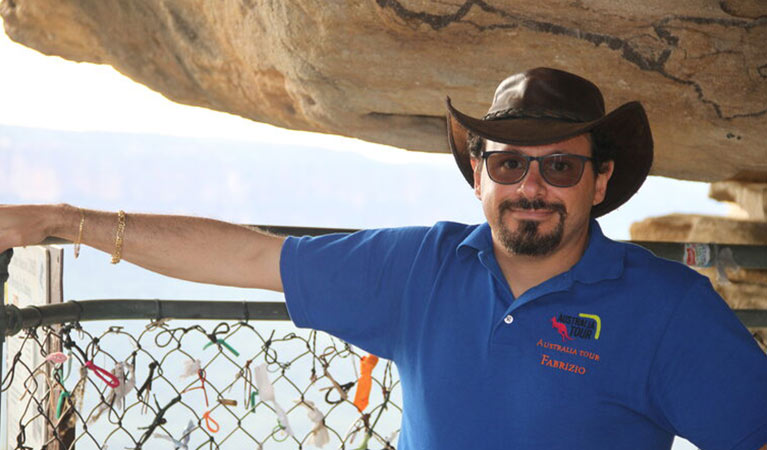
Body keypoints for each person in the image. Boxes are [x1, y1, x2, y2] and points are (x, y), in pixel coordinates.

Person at [1, 67, 765, 450]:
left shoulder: (669, 308)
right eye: (507, 164)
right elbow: (245, 256)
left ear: (599, 180)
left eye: (559, 167)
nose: (530, 186)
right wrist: (59, 220)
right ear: (477, 174)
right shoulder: (421, 269)